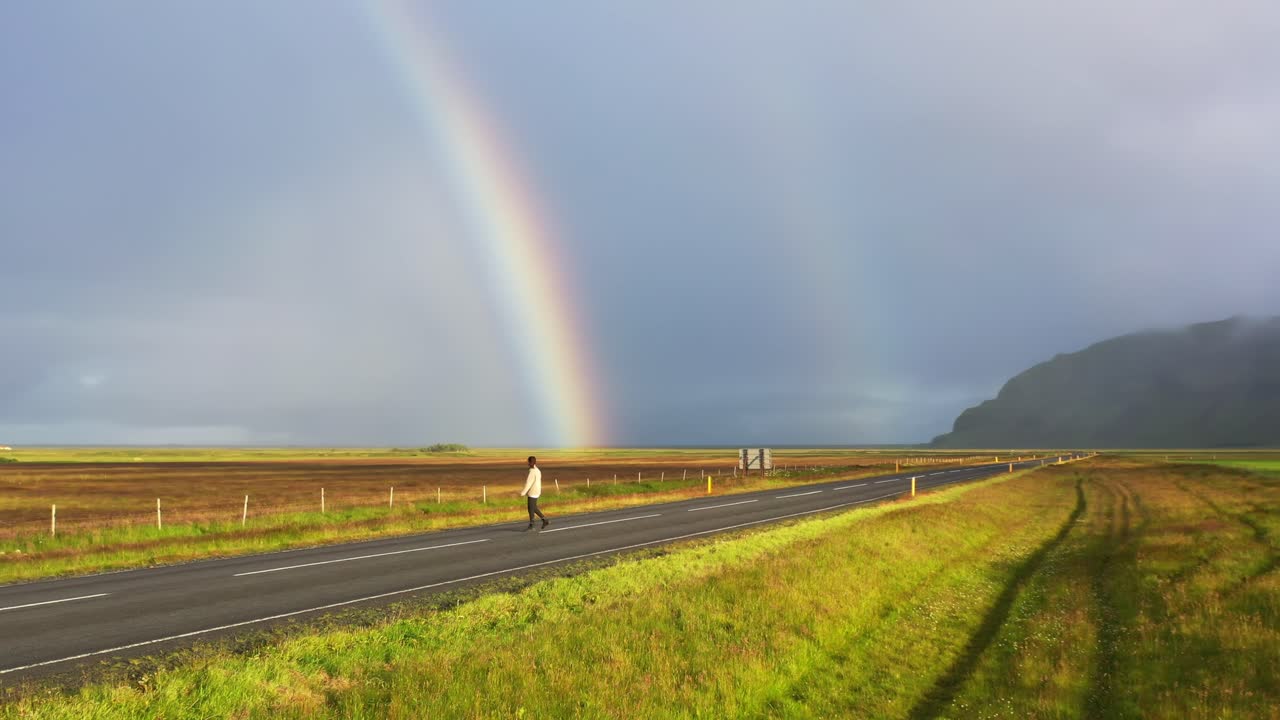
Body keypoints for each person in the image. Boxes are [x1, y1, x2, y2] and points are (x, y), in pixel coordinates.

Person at [520, 455, 549, 531]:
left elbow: (528, 483)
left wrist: (523, 492)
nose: (528, 464)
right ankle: (544, 520)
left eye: (529, 462)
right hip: (537, 491)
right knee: (533, 507)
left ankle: (531, 525)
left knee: (530, 508)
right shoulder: (538, 470)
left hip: (533, 491)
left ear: (530, 462)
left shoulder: (532, 471)